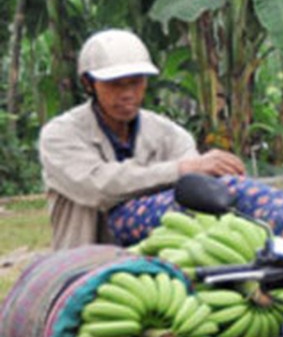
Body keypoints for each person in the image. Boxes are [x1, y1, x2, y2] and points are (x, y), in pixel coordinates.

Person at [37, 29, 246, 250]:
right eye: (115, 84)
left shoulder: (170, 134)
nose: (127, 93)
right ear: (89, 84)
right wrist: (180, 170)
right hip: (86, 260)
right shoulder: (60, 135)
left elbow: (195, 190)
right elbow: (98, 186)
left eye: (136, 83)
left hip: (164, 253)